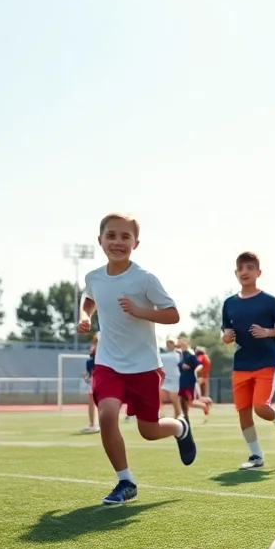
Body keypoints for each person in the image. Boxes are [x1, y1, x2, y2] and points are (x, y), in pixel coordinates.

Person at [77, 212, 196, 505]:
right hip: (108, 362)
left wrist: (140, 311)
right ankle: (125, 481)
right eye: (111, 236)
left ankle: (181, 427)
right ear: (100, 240)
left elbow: (172, 314)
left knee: (149, 430)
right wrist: (84, 315)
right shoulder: (93, 277)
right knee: (107, 415)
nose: (118, 242)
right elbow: (90, 298)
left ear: (136, 243)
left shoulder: (145, 279)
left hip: (143, 366)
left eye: (125, 237)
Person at [221, 252, 275, 469]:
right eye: (241, 268)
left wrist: (267, 332)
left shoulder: (268, 301)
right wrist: (225, 337)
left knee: (261, 407)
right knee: (243, 412)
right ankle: (256, 456)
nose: (245, 272)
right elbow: (225, 330)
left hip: (266, 362)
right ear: (236, 273)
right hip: (241, 364)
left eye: (250, 268)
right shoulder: (229, 303)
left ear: (258, 273)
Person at [176, 336, 210, 421]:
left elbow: (199, 365)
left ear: (187, 343)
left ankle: (204, 406)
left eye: (183, 341)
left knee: (191, 403)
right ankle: (184, 419)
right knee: (182, 402)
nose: (181, 343)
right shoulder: (180, 355)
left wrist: (194, 371)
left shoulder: (190, 354)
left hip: (190, 382)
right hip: (181, 382)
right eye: (180, 341)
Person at [158, 338, 182, 421]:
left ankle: (178, 414)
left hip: (174, 379)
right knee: (159, 396)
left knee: (174, 398)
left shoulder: (177, 355)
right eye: (167, 343)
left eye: (171, 343)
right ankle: (159, 413)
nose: (168, 344)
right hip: (165, 379)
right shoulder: (166, 355)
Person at [82, 334, 99, 433]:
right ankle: (92, 424)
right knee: (92, 399)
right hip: (96, 383)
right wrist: (87, 379)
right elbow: (91, 377)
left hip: (106, 381)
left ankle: (95, 424)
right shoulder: (90, 361)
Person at [194, 346, 212, 420]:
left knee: (197, 396)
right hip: (205, 377)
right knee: (203, 394)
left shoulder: (200, 357)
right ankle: (206, 408)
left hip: (200, 377)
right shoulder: (206, 357)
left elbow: (198, 364)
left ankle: (208, 401)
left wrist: (195, 372)